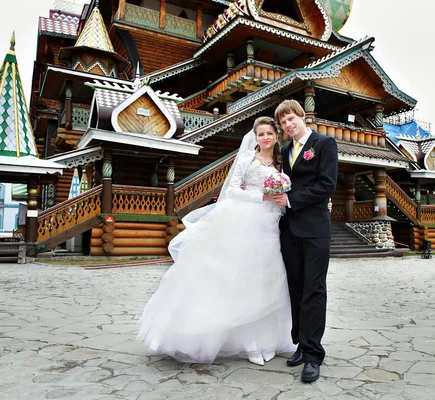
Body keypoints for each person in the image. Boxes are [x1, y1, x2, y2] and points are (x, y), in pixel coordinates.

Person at [137, 116, 296, 365]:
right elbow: (232, 190)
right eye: (260, 134)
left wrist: (279, 199)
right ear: (255, 137)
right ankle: (248, 344)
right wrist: (260, 198)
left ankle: (266, 339)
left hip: (271, 224)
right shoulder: (246, 158)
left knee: (267, 280)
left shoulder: (281, 161)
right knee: (240, 279)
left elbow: (287, 192)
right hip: (244, 221)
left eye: (269, 133)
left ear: (276, 136)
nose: (265, 138)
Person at [273, 100, 338, 383]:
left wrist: (291, 199)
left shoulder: (324, 144)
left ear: (302, 116)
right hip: (289, 230)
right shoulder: (284, 150)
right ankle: (299, 343)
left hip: (314, 229)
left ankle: (313, 355)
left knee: (314, 289)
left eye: (291, 118)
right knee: (296, 289)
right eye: (283, 122)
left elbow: (327, 185)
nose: (288, 125)